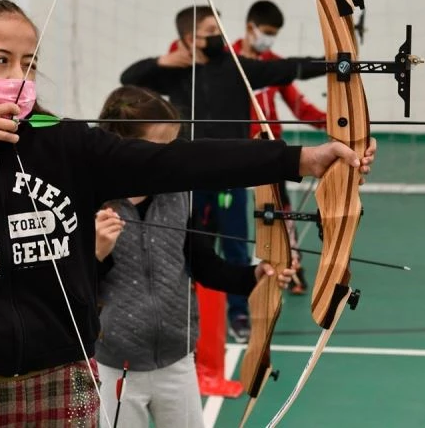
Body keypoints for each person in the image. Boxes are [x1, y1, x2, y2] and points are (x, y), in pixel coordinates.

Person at [0, 0, 376, 427]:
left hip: (68, 374)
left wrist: (300, 158)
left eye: (29, 63)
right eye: (0, 61)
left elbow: (179, 160)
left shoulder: (62, 143)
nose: (19, 79)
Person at [93, 85, 296, 428]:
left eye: (173, 146)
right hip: (114, 364)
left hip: (177, 359)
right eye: (159, 148)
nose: (169, 157)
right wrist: (96, 252)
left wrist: (252, 278)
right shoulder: (91, 199)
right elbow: (69, 285)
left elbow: (200, 262)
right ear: (122, 145)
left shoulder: (177, 193)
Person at [121, 5, 324, 342]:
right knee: (189, 248)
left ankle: (239, 312)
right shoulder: (174, 72)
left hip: (231, 176)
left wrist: (335, 65)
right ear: (190, 39)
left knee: (236, 247)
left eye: (219, 31)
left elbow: (284, 70)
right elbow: (129, 80)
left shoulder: (234, 67)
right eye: (211, 33)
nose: (219, 38)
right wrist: (162, 62)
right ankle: (189, 317)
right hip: (187, 178)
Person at [234, 0, 328, 295]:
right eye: (267, 31)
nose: (269, 38)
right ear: (251, 28)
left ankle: (293, 267)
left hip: (269, 150)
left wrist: (332, 122)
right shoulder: (229, 59)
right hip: (234, 149)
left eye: (274, 33)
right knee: (223, 212)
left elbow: (298, 105)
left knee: (279, 208)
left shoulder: (274, 64)